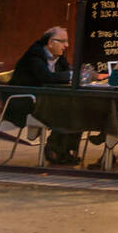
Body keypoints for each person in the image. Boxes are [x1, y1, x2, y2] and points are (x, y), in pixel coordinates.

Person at [6, 26, 79, 165]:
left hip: (43, 99)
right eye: (63, 41)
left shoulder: (59, 56)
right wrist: (70, 75)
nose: (67, 45)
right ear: (51, 42)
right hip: (23, 102)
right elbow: (46, 77)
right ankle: (55, 149)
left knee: (76, 111)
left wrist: (72, 74)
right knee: (68, 112)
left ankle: (62, 150)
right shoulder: (35, 55)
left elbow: (69, 71)